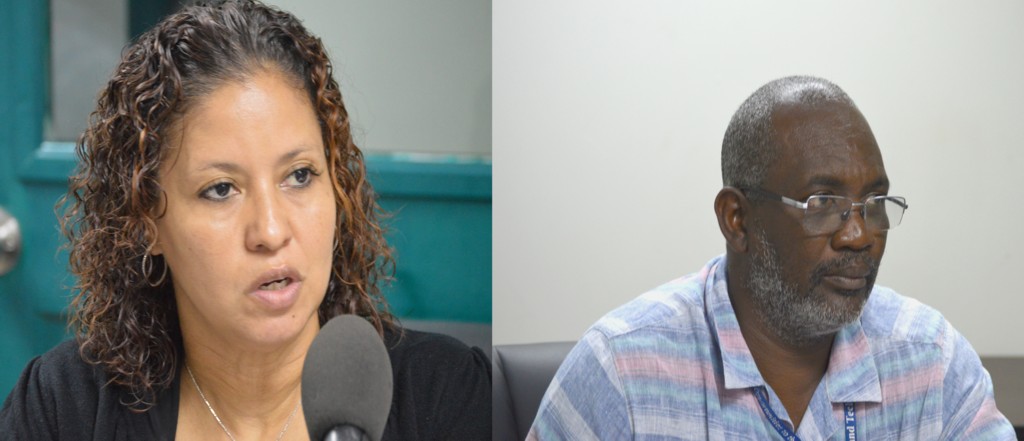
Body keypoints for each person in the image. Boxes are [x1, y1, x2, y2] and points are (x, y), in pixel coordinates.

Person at [0, 1, 490, 440]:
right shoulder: (64, 407)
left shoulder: (442, 393)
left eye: (300, 175)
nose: (271, 232)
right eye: (220, 189)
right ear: (147, 222)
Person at [528, 76, 1014, 440]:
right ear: (737, 219)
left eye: (874, 203)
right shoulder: (622, 371)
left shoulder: (932, 362)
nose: (859, 235)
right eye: (823, 203)